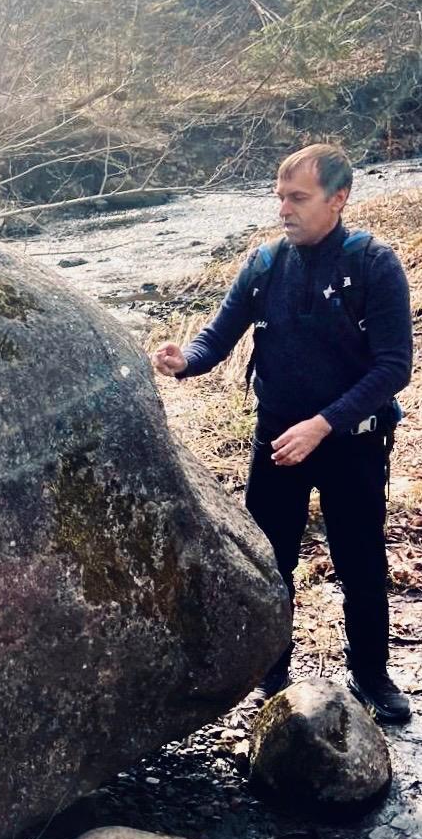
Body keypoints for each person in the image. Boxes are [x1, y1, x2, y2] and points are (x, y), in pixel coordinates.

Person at [153, 143, 413, 724]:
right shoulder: (265, 265)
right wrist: (184, 360)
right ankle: (271, 670)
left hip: (352, 440)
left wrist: (322, 426)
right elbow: (216, 339)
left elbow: (395, 367)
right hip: (278, 439)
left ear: (338, 199)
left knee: (361, 561)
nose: (284, 210)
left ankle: (371, 673)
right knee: (271, 561)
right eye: (280, 197)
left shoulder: (375, 265)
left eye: (298, 198)